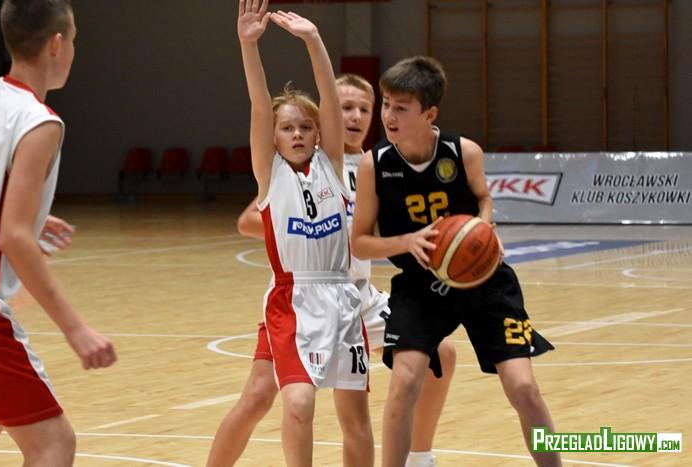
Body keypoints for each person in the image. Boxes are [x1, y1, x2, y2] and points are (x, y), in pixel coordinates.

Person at [207, 73, 456, 467]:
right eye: (345, 108)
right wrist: (317, 230)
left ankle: (419, 458)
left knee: (440, 353)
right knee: (258, 396)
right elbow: (248, 220)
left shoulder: (381, 165)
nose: (355, 116)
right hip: (301, 295)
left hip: (358, 297)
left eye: (364, 109)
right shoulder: (311, 165)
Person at [350, 56, 562, 467]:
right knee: (404, 382)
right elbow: (359, 243)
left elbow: (484, 198)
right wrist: (408, 241)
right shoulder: (373, 165)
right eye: (386, 104)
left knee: (524, 389)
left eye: (401, 107)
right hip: (420, 287)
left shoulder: (464, 152)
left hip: (485, 283)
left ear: (429, 114)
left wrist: (483, 228)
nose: (388, 116)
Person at [225, 2, 373, 466]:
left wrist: (314, 39)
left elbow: (329, 98)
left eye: (306, 127)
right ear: (273, 137)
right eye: (287, 128)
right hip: (293, 299)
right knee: (300, 403)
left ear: (318, 134)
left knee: (357, 418)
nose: (297, 134)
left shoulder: (332, 164)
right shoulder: (270, 176)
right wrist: (248, 45)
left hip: (343, 298)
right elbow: (258, 104)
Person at [0, 1, 117, 465]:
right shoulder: (39, 121)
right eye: (75, 41)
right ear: (57, 44)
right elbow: (13, 238)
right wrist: (76, 329)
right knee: (53, 444)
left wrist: (24, 210)